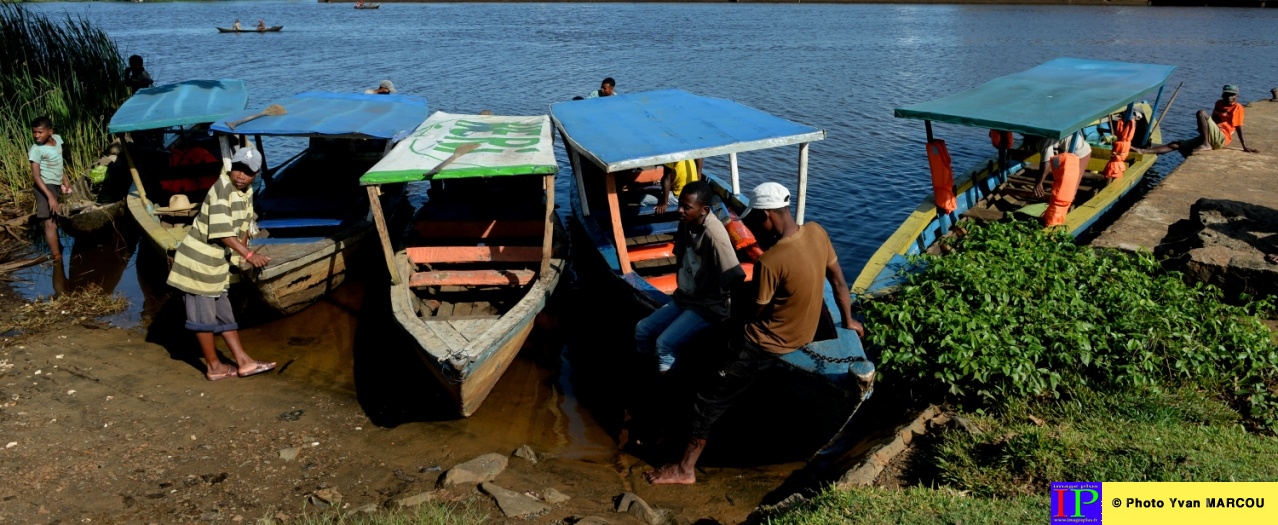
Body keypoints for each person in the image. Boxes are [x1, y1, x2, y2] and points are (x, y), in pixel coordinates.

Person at [644, 182, 864, 485]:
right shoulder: (817, 232)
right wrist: (848, 319)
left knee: (707, 400)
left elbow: (754, 315)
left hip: (766, 343)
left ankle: (684, 469)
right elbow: (839, 283)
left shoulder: (771, 260)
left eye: (754, 219)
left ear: (768, 215)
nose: (752, 226)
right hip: (804, 332)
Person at [166, 146, 275, 382]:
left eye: (248, 172)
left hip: (217, 265)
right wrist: (248, 255)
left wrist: (239, 260)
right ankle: (214, 367)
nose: (241, 175)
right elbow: (222, 233)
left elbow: (243, 226)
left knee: (224, 314)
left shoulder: (246, 192)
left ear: (255, 175)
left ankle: (244, 362)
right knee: (203, 319)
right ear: (231, 166)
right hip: (198, 264)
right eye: (238, 169)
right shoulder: (221, 189)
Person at [635, 181, 746, 374]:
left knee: (664, 343)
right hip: (686, 297)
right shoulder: (686, 223)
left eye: (686, 207)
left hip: (708, 306)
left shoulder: (715, 236)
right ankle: (645, 368)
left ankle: (666, 380)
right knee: (642, 329)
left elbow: (735, 277)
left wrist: (732, 325)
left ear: (704, 210)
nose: (679, 211)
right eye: (679, 205)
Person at [1136, 85, 1259, 157]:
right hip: (1212, 136)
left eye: (1232, 95)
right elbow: (1213, 120)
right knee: (1176, 144)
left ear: (1237, 96)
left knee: (1201, 113)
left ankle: (1206, 144)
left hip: (1222, 137)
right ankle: (1143, 151)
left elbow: (1238, 127)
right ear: (1222, 95)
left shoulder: (1237, 107)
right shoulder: (1219, 103)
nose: (1229, 97)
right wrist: (1202, 130)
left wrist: (1245, 146)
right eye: (1227, 95)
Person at [28, 116, 70, 260]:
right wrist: (50, 197)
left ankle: (58, 246)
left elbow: (59, 161)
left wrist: (64, 179)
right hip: (44, 186)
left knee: (55, 217)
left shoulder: (57, 140)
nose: (36, 135)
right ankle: (56, 255)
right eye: (34, 132)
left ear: (50, 132)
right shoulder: (36, 150)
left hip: (56, 183)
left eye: (40, 132)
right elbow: (36, 176)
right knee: (49, 222)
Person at [1031, 131, 1091, 199]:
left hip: (1080, 154)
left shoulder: (1044, 140)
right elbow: (1048, 159)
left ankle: (1066, 203)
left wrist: (1039, 182)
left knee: (1071, 185)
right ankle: (1058, 199)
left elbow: (1047, 161)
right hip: (1062, 154)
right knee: (1059, 179)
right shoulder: (1043, 138)